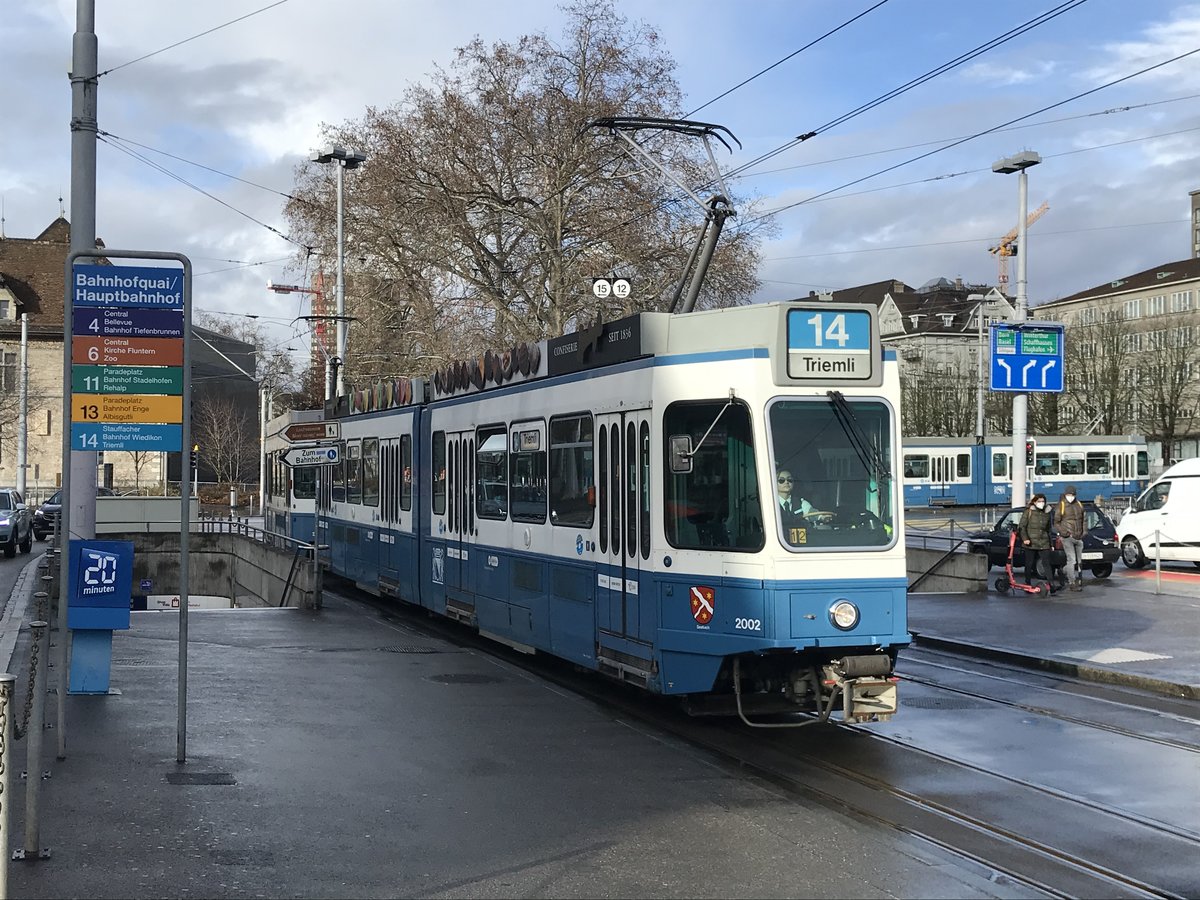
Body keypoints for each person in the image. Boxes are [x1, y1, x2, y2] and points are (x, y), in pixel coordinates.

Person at [1018, 492, 1053, 589]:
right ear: (1034, 502)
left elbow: (1048, 529)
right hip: (1031, 542)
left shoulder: (1047, 512)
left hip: (1043, 541)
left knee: (1046, 563)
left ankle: (1051, 584)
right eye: (1039, 501)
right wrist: (1025, 539)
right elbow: (1022, 526)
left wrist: (1051, 543)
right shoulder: (1029, 512)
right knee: (1029, 563)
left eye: (1043, 501)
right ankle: (1027, 582)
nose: (1041, 503)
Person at [1056, 484, 1086, 591]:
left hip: (1079, 537)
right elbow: (1056, 522)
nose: (1071, 496)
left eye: (1072, 494)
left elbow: (1084, 519)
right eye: (1069, 494)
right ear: (1065, 495)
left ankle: (1063, 571)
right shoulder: (1062, 505)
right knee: (1072, 560)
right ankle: (1072, 583)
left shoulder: (1079, 504)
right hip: (1067, 537)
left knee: (1079, 562)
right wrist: (1065, 533)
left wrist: (1083, 533)